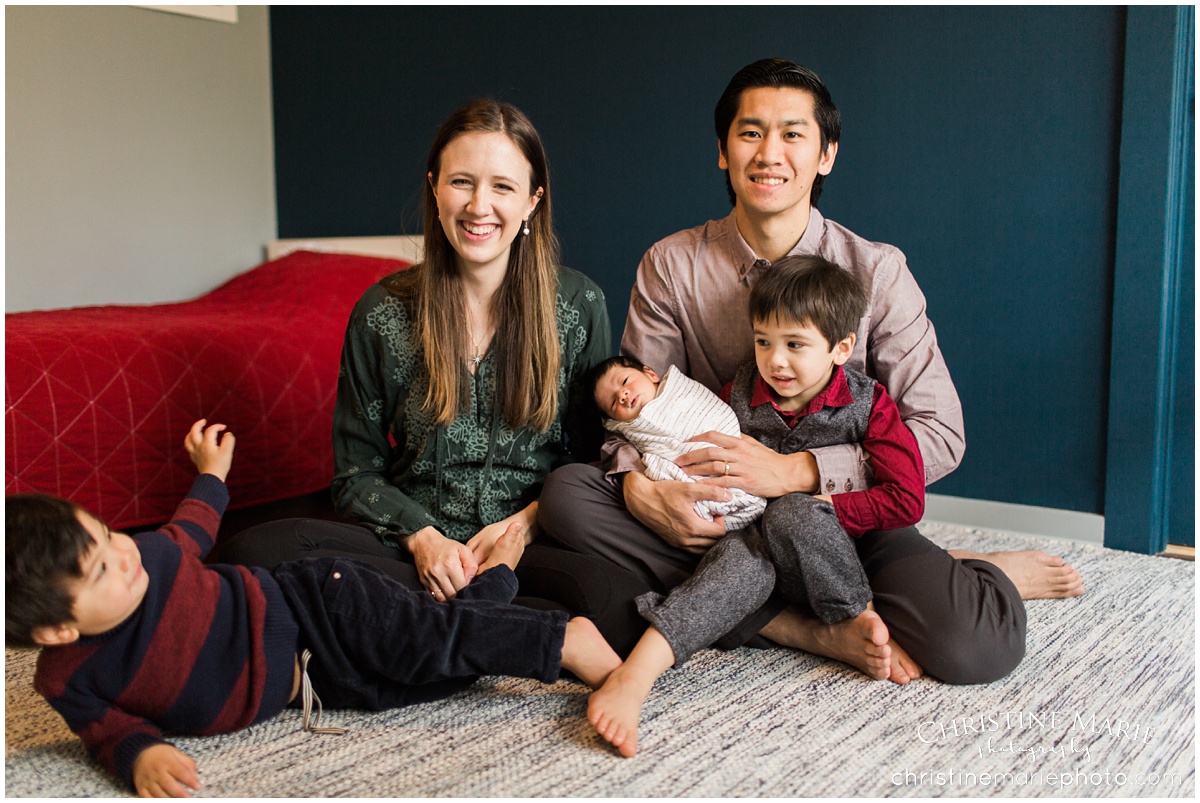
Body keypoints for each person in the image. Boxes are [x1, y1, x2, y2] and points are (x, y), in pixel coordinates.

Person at [539, 57, 1083, 690]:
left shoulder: (877, 271)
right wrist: (643, 492)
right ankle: (803, 626)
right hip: (720, 519)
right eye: (750, 132)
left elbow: (939, 432)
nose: (770, 152)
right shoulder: (672, 264)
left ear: (826, 155)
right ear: (723, 152)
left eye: (793, 134)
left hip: (840, 514)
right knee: (569, 498)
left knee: (974, 647)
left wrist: (796, 473)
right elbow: (631, 416)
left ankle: (972, 570)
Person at [219, 99, 650, 656]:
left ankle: (420, 631)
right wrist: (423, 539)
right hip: (409, 548)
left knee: (624, 602)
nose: (479, 206)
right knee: (249, 554)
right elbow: (355, 475)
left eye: (502, 187)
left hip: (528, 542)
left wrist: (522, 529)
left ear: (532, 202)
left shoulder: (579, 303)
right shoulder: (381, 311)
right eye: (462, 182)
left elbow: (588, 460)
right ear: (435, 188)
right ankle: (523, 637)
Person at [6, 421, 621, 798]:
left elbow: (192, 525)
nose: (123, 554)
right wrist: (142, 755)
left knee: (426, 642)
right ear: (58, 628)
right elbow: (105, 735)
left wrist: (211, 473)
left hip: (314, 603)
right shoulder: (69, 680)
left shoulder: (152, 556)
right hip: (313, 683)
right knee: (441, 673)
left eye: (108, 533)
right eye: (100, 568)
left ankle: (564, 641)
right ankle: (496, 586)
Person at [588, 256, 923, 757]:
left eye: (795, 345)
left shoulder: (868, 403)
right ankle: (638, 673)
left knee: (792, 513)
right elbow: (689, 435)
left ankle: (857, 615)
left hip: (833, 549)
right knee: (730, 568)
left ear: (841, 348)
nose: (776, 361)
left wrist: (821, 503)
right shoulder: (740, 394)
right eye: (763, 342)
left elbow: (907, 498)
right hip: (756, 535)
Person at [591, 354, 766, 528]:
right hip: (686, 472)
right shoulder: (629, 429)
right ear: (615, 422)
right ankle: (710, 508)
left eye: (624, 381)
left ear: (650, 374)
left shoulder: (680, 391)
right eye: (613, 403)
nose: (622, 394)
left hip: (725, 450)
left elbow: (715, 415)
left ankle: (733, 497)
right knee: (654, 464)